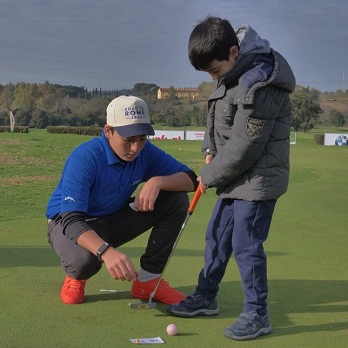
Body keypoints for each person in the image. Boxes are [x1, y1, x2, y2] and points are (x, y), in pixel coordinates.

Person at [166, 16, 295, 341]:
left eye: (214, 71)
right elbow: (215, 115)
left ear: (234, 51)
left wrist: (208, 174)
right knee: (217, 236)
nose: (213, 78)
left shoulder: (261, 82)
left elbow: (245, 146)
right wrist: (209, 147)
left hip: (258, 177)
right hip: (232, 175)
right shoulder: (227, 70)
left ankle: (257, 314)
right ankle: (206, 297)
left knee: (246, 244)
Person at [46, 95, 198, 305]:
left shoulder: (146, 153)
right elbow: (72, 221)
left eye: (142, 139)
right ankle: (76, 276)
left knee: (176, 199)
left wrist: (157, 181)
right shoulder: (84, 158)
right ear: (108, 131)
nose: (136, 148)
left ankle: (148, 282)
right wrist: (105, 252)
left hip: (113, 217)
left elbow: (191, 180)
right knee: (82, 263)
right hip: (67, 223)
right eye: (128, 140)